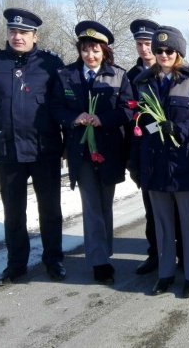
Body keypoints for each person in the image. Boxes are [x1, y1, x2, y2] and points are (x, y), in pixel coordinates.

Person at [0, 8, 66, 286]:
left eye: (24, 32)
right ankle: (16, 265)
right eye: (13, 31)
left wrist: (71, 143)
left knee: (50, 210)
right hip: (7, 150)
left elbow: (63, 106)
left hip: (44, 149)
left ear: (35, 35)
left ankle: (53, 260)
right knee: (14, 212)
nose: (17, 36)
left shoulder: (51, 64)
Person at [128, 26, 189, 298]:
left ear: (179, 52)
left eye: (169, 50)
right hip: (154, 162)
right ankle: (164, 274)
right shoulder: (142, 81)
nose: (163, 54)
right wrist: (136, 165)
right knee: (161, 223)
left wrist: (179, 129)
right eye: (158, 50)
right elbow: (137, 126)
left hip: (183, 161)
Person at [49, 21, 133, 284]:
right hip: (80, 151)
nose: (90, 55)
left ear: (104, 51)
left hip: (109, 150)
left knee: (105, 203)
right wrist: (75, 118)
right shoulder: (66, 75)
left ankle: (104, 253)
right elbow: (55, 108)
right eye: (85, 49)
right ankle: (99, 262)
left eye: (95, 49)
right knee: (91, 204)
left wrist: (103, 119)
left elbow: (128, 109)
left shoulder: (119, 75)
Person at [126, 19, 185, 275]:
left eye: (164, 50)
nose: (153, 52)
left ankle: (184, 255)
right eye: (142, 45)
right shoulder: (135, 79)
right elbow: (134, 121)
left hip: (176, 155)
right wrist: (133, 160)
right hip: (149, 154)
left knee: (179, 211)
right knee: (153, 211)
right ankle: (156, 255)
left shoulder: (184, 78)